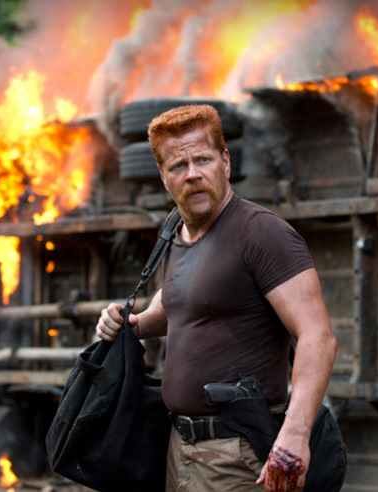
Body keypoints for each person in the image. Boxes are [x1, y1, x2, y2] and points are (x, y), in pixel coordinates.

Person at [95, 105, 337, 492]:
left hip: (238, 456)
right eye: (178, 166)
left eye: (203, 160)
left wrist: (294, 434)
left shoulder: (261, 233)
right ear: (163, 176)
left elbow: (318, 336)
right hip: (180, 449)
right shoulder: (175, 229)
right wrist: (135, 323)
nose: (192, 174)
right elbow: (179, 299)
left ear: (225, 161)